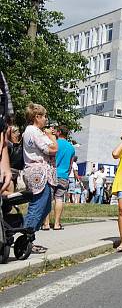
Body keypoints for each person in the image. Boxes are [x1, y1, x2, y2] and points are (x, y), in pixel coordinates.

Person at [21, 104, 59, 252]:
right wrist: (51, 137)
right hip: (38, 173)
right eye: (44, 116)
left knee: (45, 206)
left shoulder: (36, 131)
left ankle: (28, 235)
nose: (46, 119)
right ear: (37, 117)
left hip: (43, 173)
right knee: (38, 206)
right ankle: (26, 239)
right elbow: (53, 149)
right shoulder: (33, 131)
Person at [43, 125, 75, 231]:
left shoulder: (54, 143)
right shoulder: (71, 148)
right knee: (59, 198)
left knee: (48, 199)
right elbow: (71, 164)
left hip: (52, 173)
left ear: (59, 132)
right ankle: (57, 224)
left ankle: (46, 224)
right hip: (64, 175)